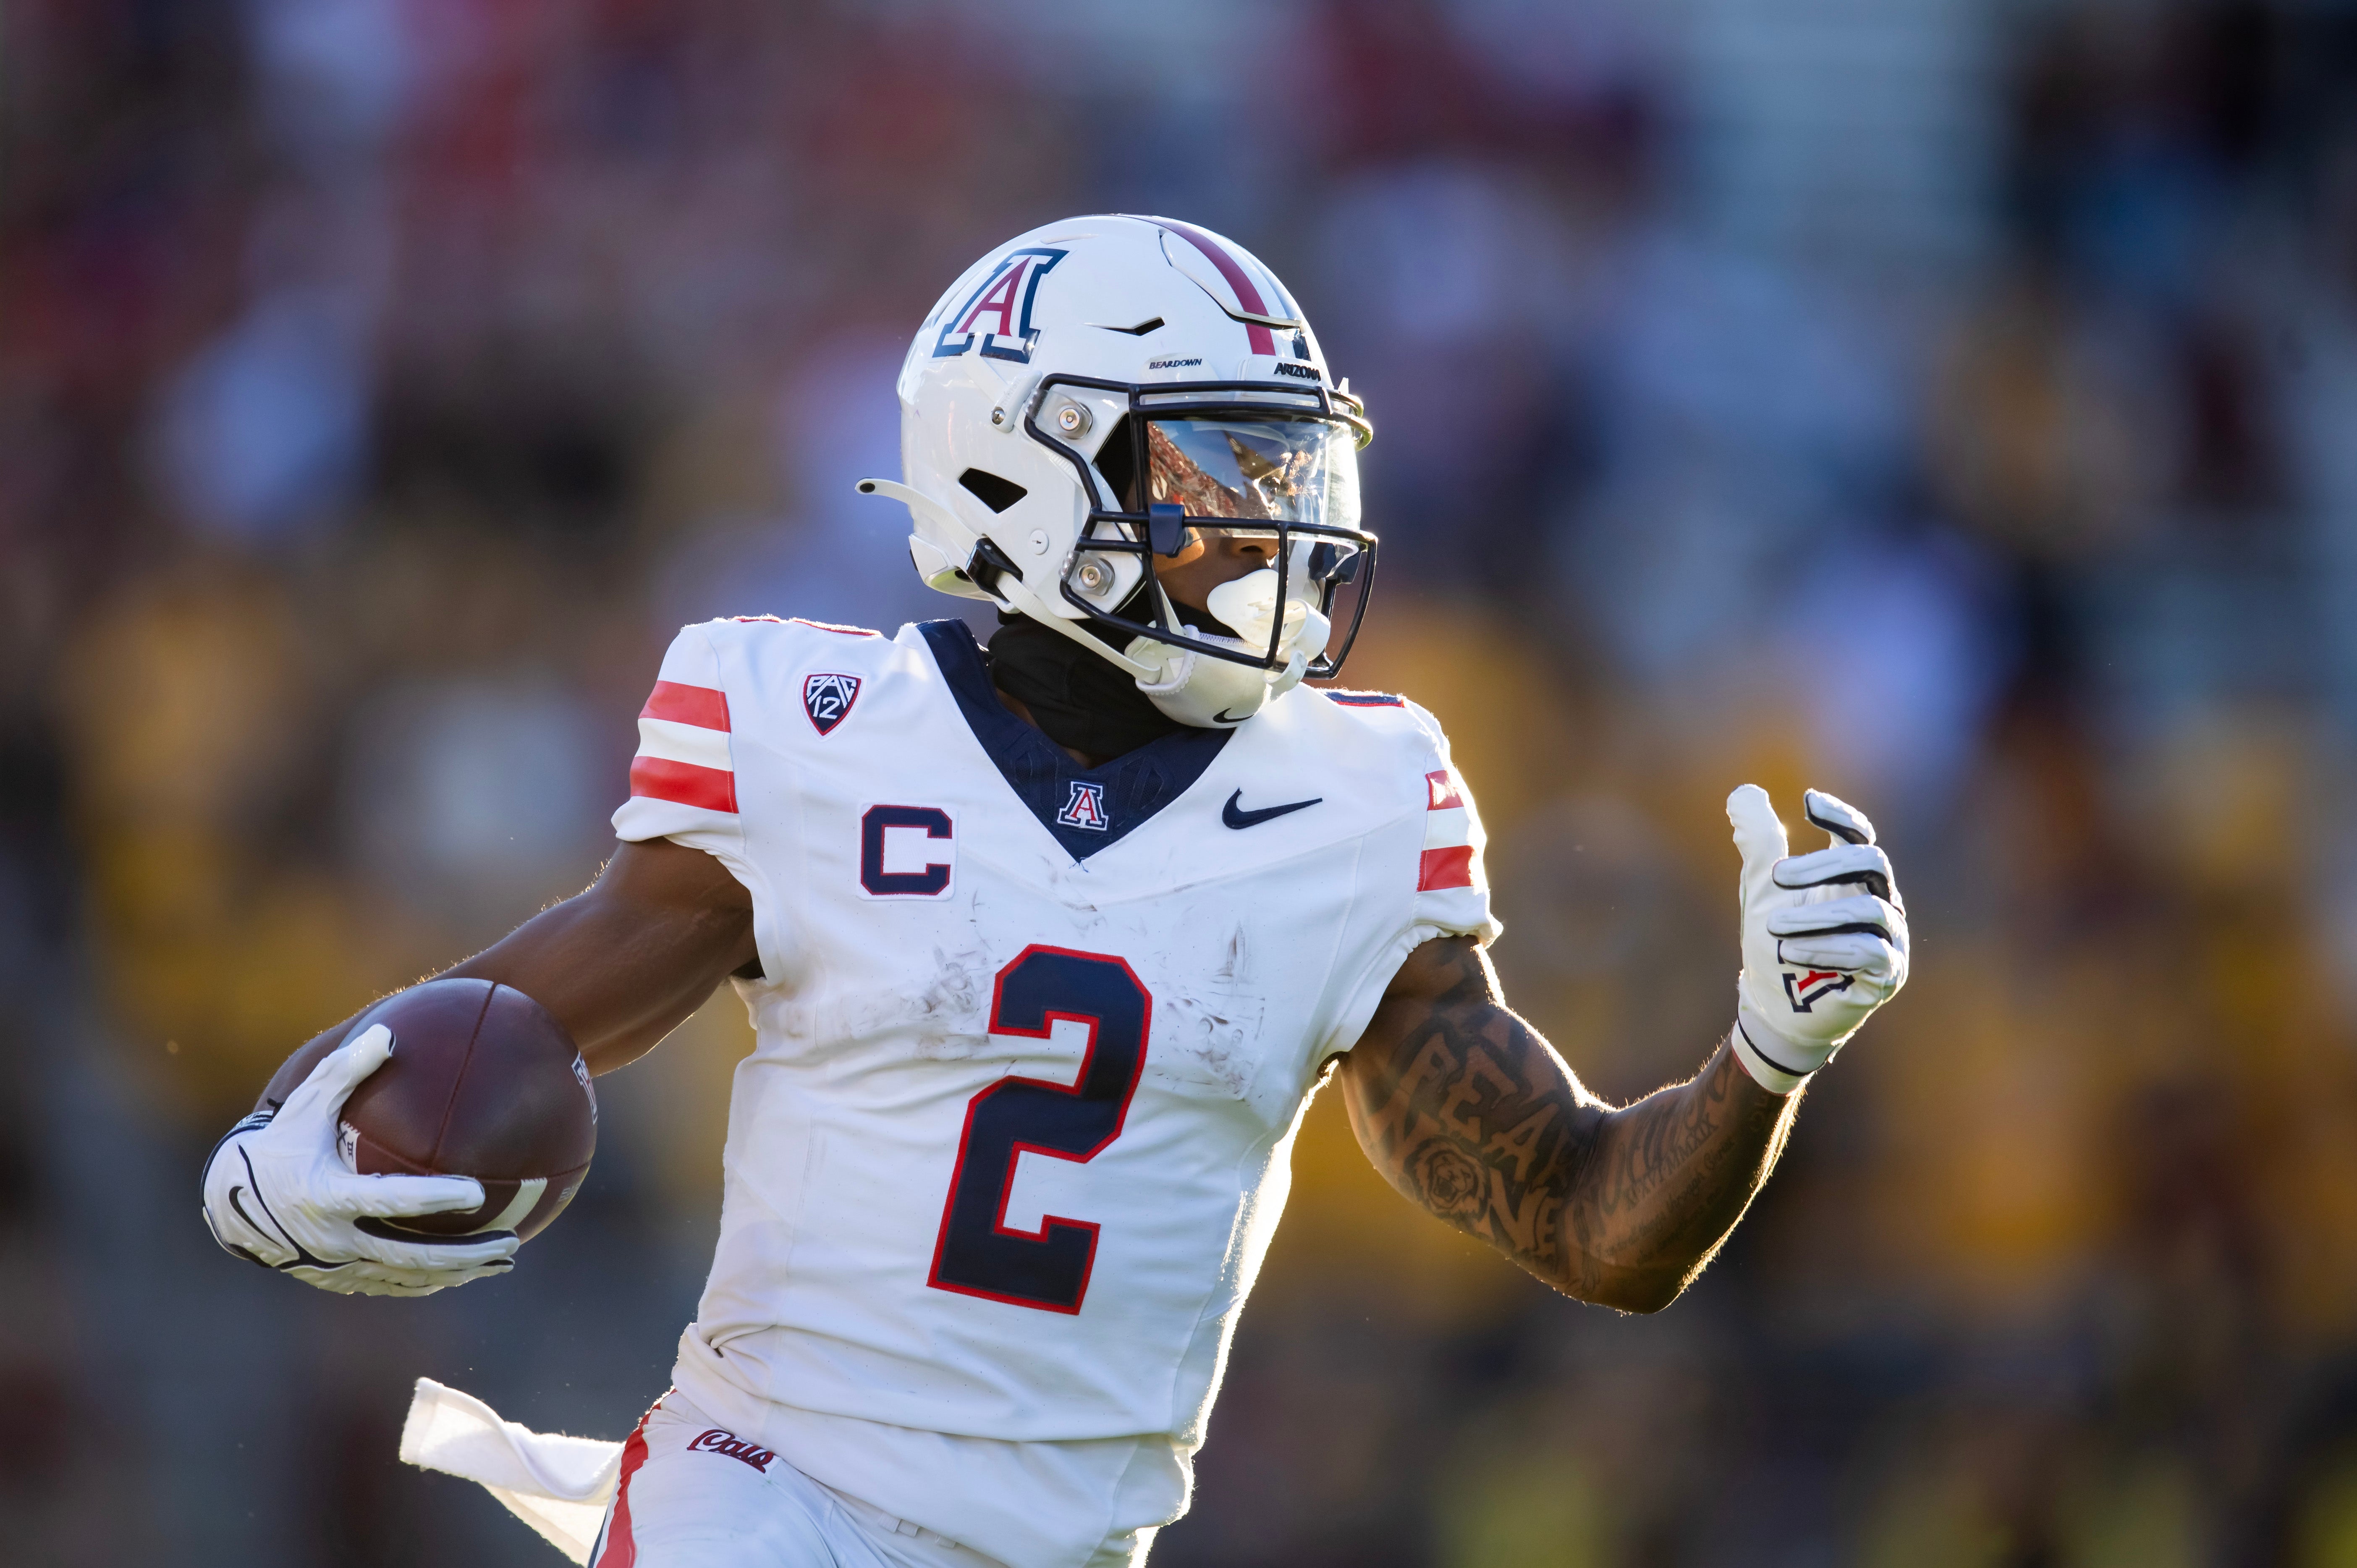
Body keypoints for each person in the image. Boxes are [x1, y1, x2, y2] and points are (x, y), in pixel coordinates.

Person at [199, 215, 1910, 1568]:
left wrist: (1765, 1050)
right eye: (1216, 477)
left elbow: (1597, 1227)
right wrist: (296, 1121)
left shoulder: (1359, 799)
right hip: (762, 1503)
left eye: (1287, 476)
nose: (1274, 533)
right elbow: (514, 1015)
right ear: (1024, 472)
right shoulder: (814, 731)